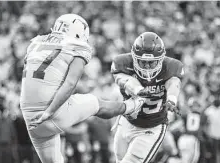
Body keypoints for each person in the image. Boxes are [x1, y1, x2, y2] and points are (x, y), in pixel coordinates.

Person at [20, 14, 145, 163]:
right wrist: (49, 111)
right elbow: (70, 83)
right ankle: (132, 106)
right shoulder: (76, 46)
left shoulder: (35, 43)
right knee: (97, 104)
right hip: (51, 112)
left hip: (30, 118)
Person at [111, 32, 184, 163]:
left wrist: (172, 98)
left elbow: (174, 83)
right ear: (134, 58)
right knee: (119, 159)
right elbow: (124, 79)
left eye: (152, 62)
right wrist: (138, 90)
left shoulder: (171, 67)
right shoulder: (123, 63)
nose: (148, 67)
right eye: (143, 62)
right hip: (127, 122)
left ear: (161, 59)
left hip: (152, 127)